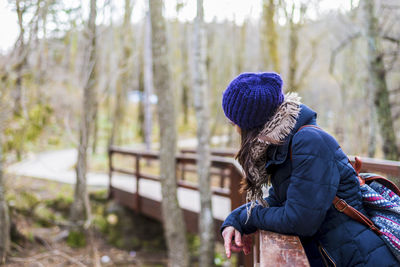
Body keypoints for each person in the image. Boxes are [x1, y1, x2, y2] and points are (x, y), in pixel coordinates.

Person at [220, 72, 398, 266]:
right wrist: (237, 220)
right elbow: (279, 200)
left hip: (359, 257)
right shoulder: (283, 143)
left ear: (250, 123)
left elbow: (299, 220)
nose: (234, 127)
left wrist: (252, 217)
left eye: (233, 121)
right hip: (335, 254)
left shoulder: (308, 142)